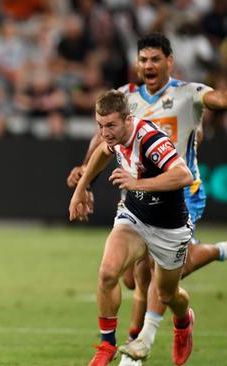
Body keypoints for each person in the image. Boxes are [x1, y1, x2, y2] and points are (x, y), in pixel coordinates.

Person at [67, 33, 227, 365]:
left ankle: (156, 335)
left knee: (164, 285)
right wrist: (83, 181)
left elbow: (217, 105)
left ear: (169, 61)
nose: (148, 65)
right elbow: (103, 145)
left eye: (155, 59)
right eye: (143, 59)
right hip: (137, 205)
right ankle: (112, 346)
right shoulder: (122, 101)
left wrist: (138, 181)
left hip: (179, 199)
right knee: (119, 275)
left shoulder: (186, 96)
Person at [70, 90, 195, 366]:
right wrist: (82, 188)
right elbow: (102, 153)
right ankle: (107, 344)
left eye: (110, 125)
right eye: (100, 125)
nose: (105, 132)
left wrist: (137, 183)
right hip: (134, 217)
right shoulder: (112, 137)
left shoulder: (149, 139)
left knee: (167, 294)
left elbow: (183, 175)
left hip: (169, 228)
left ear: (127, 120)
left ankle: (184, 322)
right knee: (107, 272)